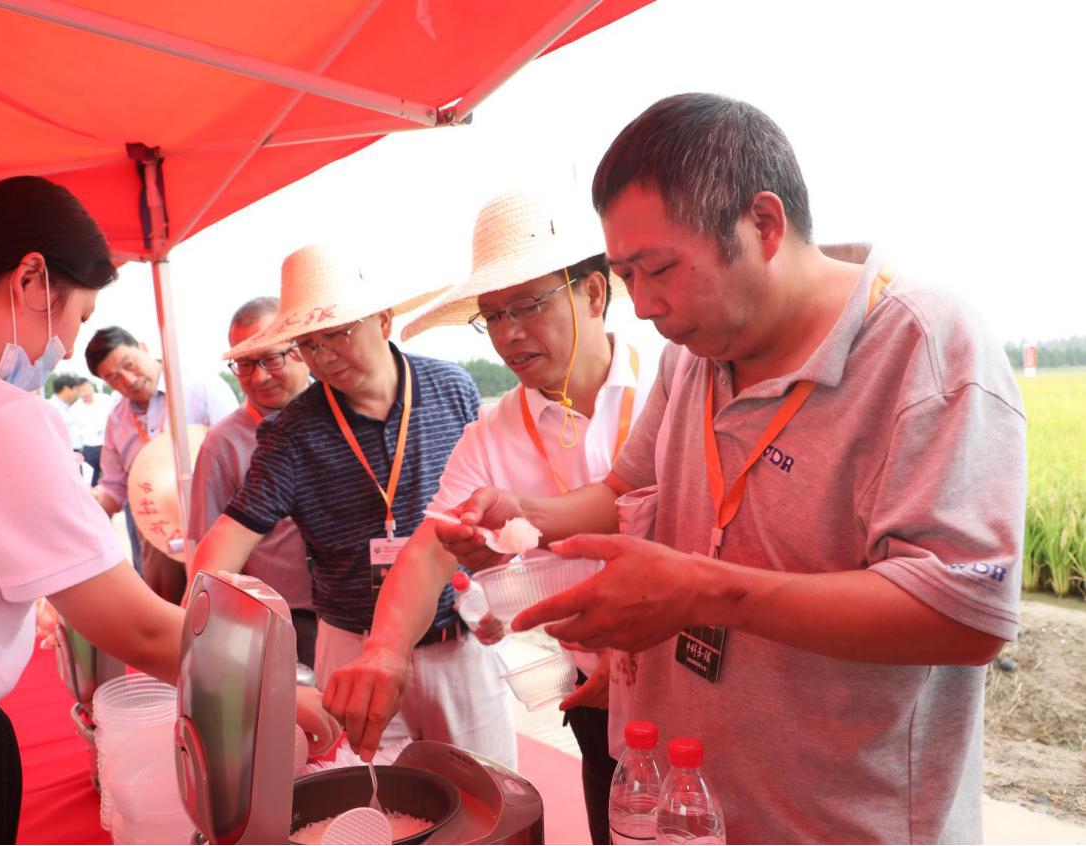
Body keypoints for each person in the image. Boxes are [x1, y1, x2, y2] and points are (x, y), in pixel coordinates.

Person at [436, 94, 1026, 844]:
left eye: (660, 269)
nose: (644, 306)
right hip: (677, 798)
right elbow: (625, 489)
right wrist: (527, 517)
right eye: (627, 275)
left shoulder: (925, 351)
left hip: (834, 820)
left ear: (764, 225)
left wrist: (701, 592)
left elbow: (964, 617)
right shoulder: (694, 356)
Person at [0, 177, 340, 844]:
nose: (64, 348)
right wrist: (274, 693)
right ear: (31, 280)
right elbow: (134, 627)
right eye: (77, 318)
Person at [324, 190, 654, 843]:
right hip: (592, 697)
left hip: (698, 688)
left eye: (528, 306)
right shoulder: (492, 433)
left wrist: (636, 655)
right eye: (493, 315)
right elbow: (432, 547)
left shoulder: (668, 387)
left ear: (593, 293)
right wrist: (385, 650)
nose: (507, 334)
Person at [190, 244, 518, 768]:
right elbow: (229, 535)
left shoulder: (451, 388)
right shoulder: (291, 432)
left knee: (488, 784)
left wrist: (499, 594)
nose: (322, 357)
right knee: (368, 795)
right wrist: (206, 629)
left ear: (383, 319)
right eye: (308, 343)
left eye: (337, 333)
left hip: (458, 637)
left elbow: (493, 501)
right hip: (352, 650)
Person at [188, 296, 319, 667]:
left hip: (356, 612)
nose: (259, 377)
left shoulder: (343, 414)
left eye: (271, 359)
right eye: (245, 364)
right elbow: (207, 546)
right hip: (279, 618)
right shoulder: (222, 443)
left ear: (301, 347)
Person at [86, 326, 238, 604]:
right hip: (158, 539)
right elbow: (114, 486)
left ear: (143, 347)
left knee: (222, 607)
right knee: (166, 608)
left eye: (129, 365)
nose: (129, 380)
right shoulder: (117, 419)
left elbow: (237, 453)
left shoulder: (200, 387)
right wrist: (89, 504)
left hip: (217, 526)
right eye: (113, 378)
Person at [71, 377, 114, 486]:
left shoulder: (106, 400)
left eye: (86, 387)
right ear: (77, 391)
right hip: (89, 449)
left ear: (91, 385)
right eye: (82, 389)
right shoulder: (75, 409)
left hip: (108, 446)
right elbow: (76, 434)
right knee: (90, 480)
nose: (85, 391)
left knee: (112, 477)